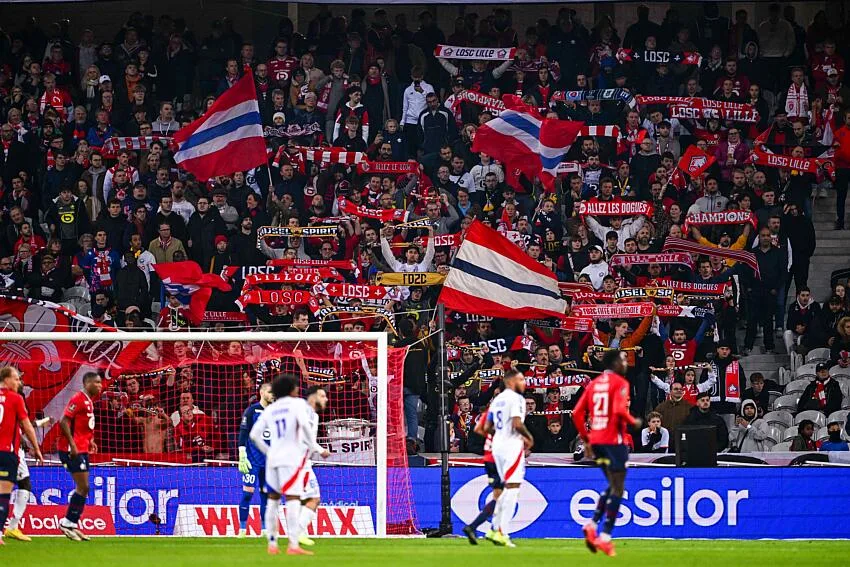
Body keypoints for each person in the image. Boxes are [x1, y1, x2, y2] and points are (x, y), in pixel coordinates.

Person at [571, 350, 637, 557]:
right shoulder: (620, 383)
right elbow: (618, 410)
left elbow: (576, 413)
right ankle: (605, 536)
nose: (626, 364)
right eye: (623, 360)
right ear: (615, 363)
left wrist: (586, 438)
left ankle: (592, 524)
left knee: (612, 485)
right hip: (613, 441)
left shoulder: (593, 383)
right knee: (618, 488)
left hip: (597, 440)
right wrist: (633, 421)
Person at [249, 374, 314, 556]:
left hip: (273, 459)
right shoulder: (298, 405)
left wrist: (268, 452)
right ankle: (293, 544)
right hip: (290, 459)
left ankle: (272, 543)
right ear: (292, 389)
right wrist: (312, 446)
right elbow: (305, 428)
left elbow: (254, 435)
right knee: (292, 499)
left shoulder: (271, 409)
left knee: (273, 500)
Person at [484, 368, 533, 548]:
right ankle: (502, 532)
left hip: (497, 445)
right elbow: (517, 423)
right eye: (521, 379)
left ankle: (494, 527)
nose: (524, 383)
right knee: (512, 487)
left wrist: (501, 435)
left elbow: (488, 426)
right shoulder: (516, 398)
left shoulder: (497, 399)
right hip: (511, 446)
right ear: (511, 381)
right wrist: (528, 437)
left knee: (504, 488)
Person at [0, 366, 44, 547]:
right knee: (5, 492)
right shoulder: (15, 398)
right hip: (7, 452)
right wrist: (36, 447)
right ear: (6, 379)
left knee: (23, 481)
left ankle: (13, 525)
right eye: (17, 379)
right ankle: (10, 526)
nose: (20, 382)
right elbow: (25, 426)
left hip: (14, 448)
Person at [57, 371, 103, 541]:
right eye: (96, 382)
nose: (100, 385)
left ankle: (71, 523)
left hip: (83, 448)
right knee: (83, 487)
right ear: (87, 383)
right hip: (71, 450)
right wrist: (73, 444)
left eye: (100, 383)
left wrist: (90, 440)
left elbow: (83, 426)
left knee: (84, 488)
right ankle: (68, 523)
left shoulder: (89, 401)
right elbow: (63, 421)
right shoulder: (78, 398)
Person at [293, 386, 331, 548]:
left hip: (301, 462)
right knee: (314, 498)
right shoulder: (306, 412)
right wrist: (321, 450)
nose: (326, 399)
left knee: (306, 499)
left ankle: (300, 533)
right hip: (298, 462)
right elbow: (305, 437)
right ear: (313, 397)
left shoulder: (310, 413)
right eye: (322, 396)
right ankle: (297, 533)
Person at [236, 382, 274, 537]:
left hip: (269, 462)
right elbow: (243, 433)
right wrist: (242, 455)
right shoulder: (252, 411)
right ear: (262, 392)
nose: (273, 395)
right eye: (270, 392)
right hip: (252, 460)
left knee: (266, 495)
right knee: (248, 493)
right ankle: (242, 529)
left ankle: (264, 529)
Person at [463, 405, 501, 545]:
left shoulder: (489, 414)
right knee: (505, 497)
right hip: (498, 460)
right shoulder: (508, 414)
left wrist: (490, 436)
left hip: (489, 458)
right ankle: (490, 530)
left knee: (499, 496)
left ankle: (490, 530)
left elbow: (478, 429)